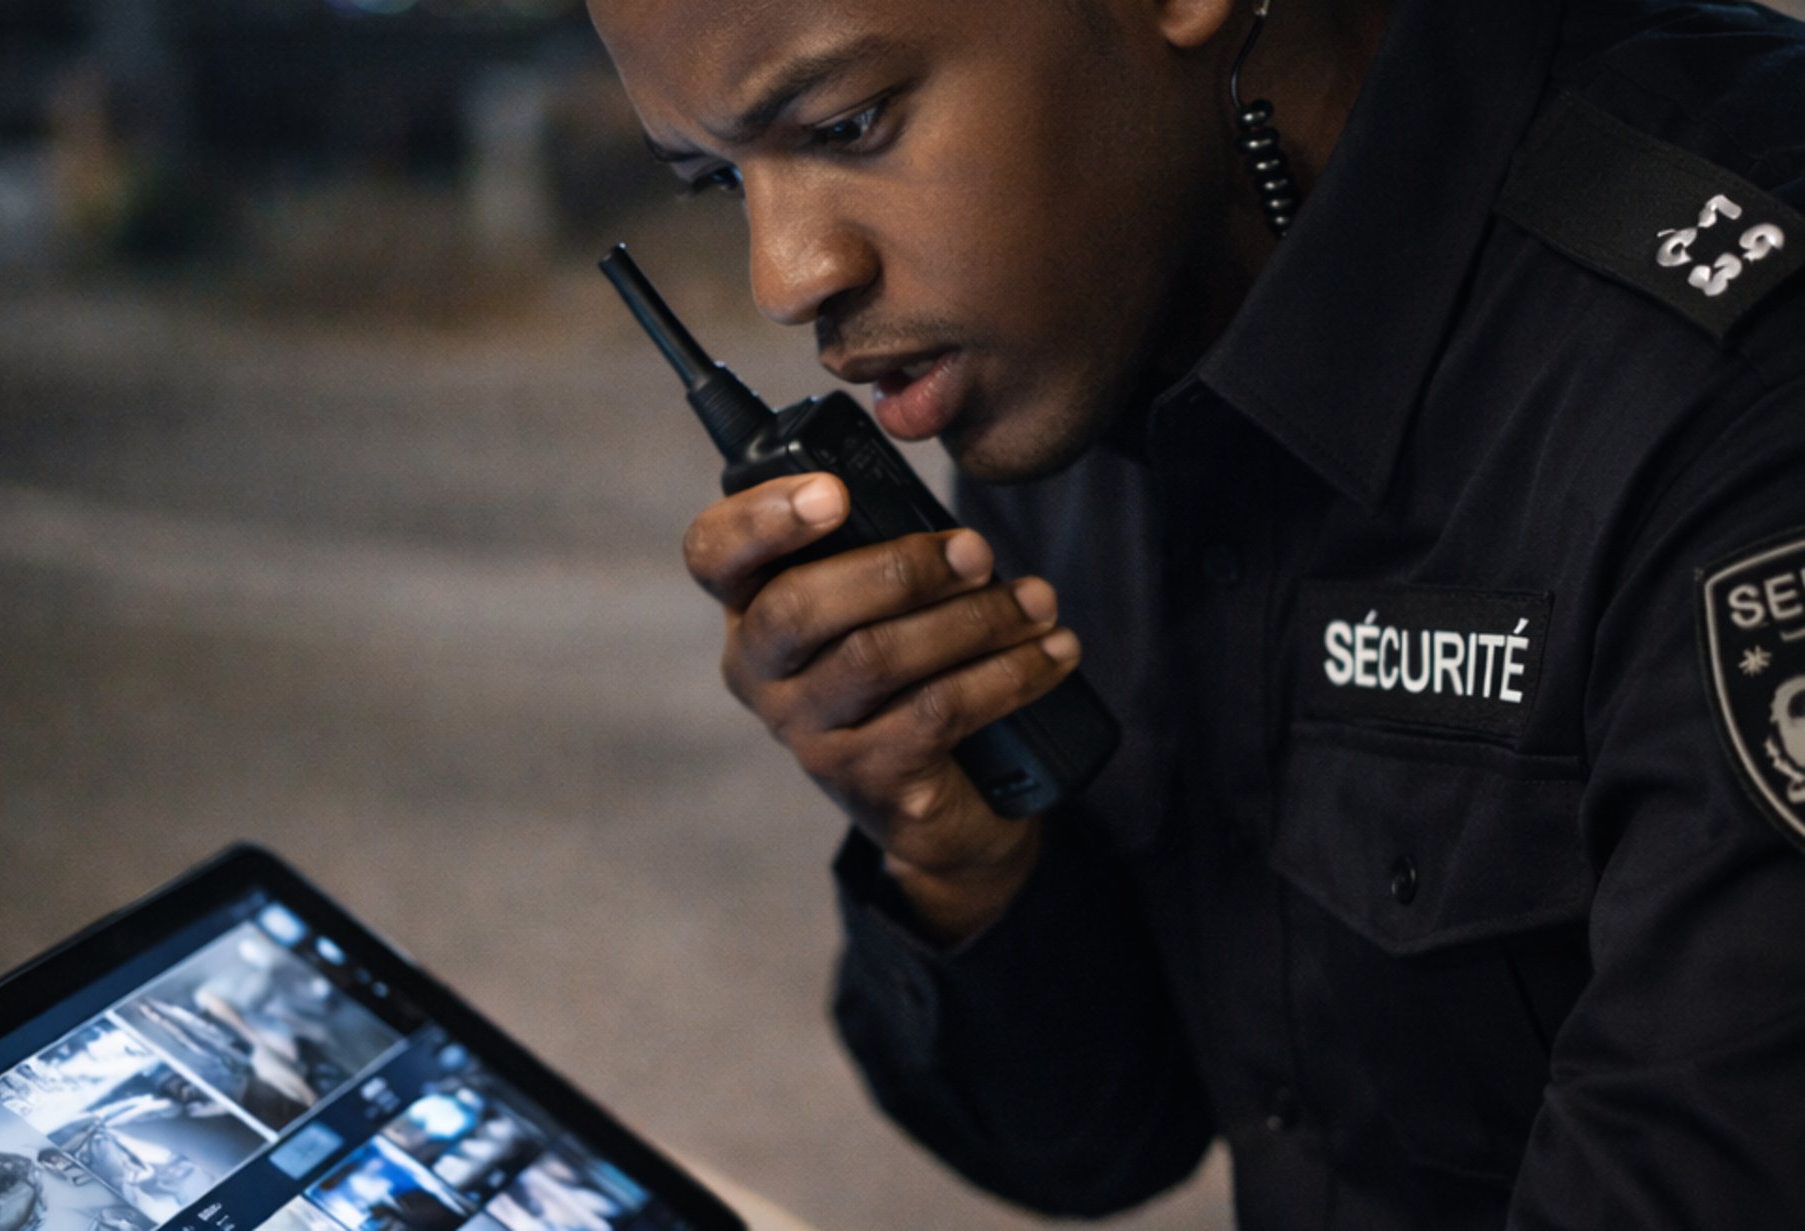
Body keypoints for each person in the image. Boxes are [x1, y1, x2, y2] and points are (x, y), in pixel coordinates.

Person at [584, 0, 1805, 1225]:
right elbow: (1096, 1142)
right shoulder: (1079, 323)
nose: (787, 278)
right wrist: (962, 854)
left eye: (849, 123)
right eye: (717, 185)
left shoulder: (1739, 381)